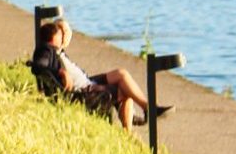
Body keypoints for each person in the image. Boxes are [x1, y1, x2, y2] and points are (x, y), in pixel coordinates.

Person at [32, 20, 172, 131]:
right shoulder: (47, 50)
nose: (63, 38)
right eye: (60, 35)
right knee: (123, 92)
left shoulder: (55, 50)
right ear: (52, 38)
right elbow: (38, 66)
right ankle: (130, 132)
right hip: (82, 91)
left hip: (87, 82)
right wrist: (60, 72)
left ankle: (148, 108)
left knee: (121, 73)